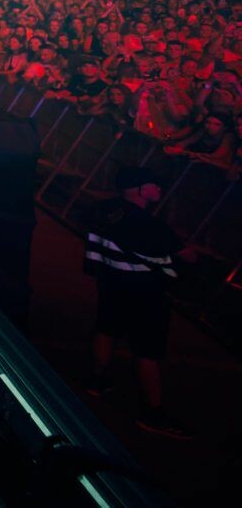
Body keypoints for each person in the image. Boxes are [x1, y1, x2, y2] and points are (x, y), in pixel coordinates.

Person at [82, 164, 196, 439]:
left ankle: (97, 380)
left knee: (106, 328)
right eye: (154, 185)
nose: (159, 189)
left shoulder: (104, 210)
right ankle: (152, 413)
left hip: (111, 282)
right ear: (140, 190)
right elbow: (185, 258)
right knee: (147, 351)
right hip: (144, 294)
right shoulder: (151, 227)